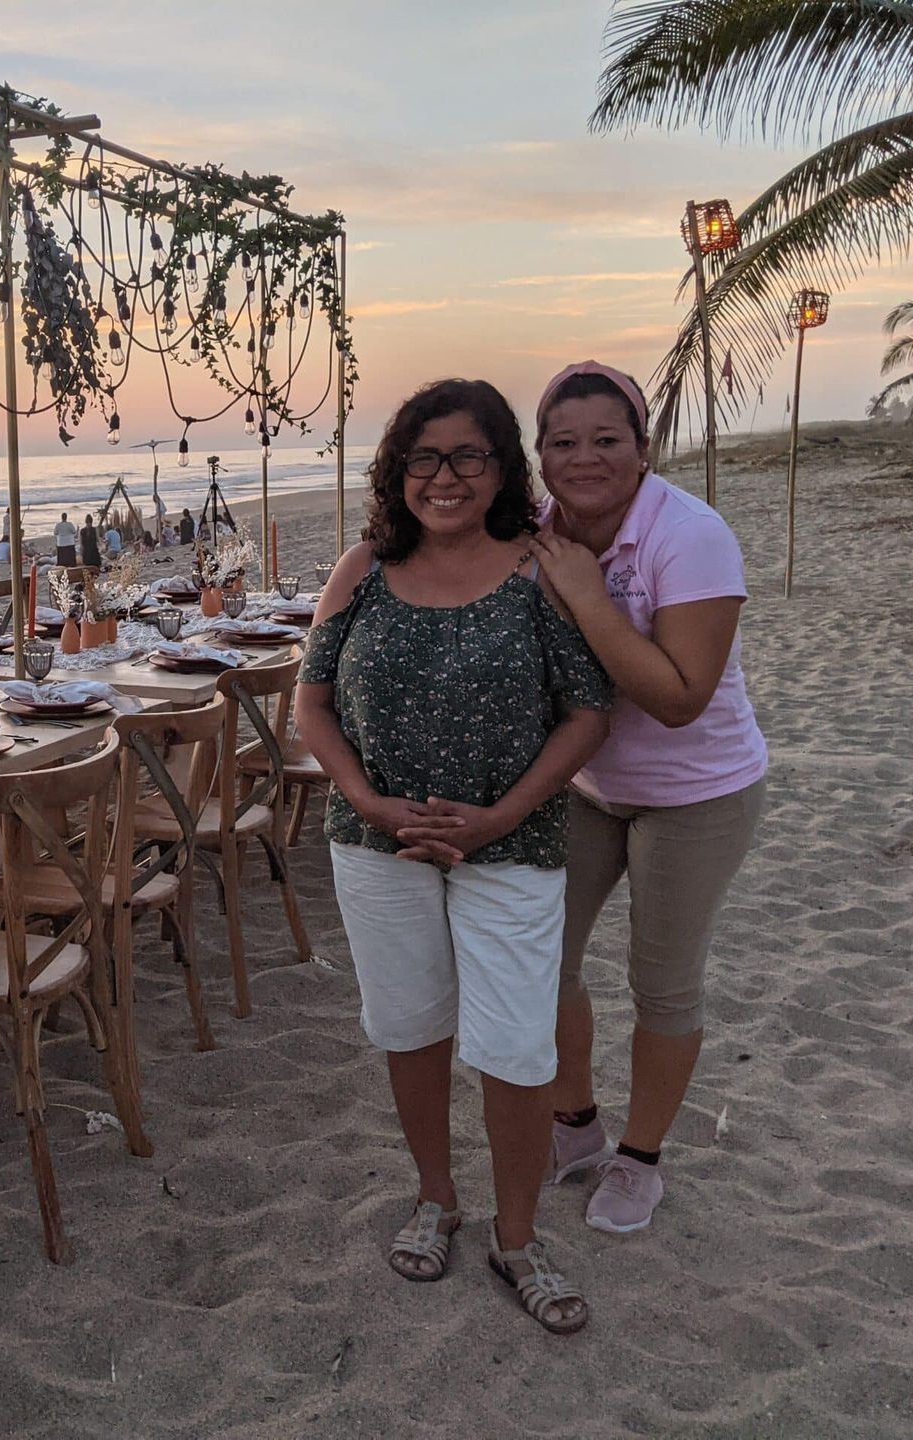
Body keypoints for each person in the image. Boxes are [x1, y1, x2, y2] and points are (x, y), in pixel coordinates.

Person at [296, 378, 612, 1333]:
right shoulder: (359, 568)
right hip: (375, 845)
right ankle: (437, 1196)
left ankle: (517, 1239)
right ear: (399, 472)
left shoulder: (539, 570)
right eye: (424, 458)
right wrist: (367, 802)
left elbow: (588, 714)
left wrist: (496, 815)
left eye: (468, 457)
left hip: (510, 845)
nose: (445, 476)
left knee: (518, 1045)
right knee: (411, 1024)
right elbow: (311, 703)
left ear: (500, 469)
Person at [524, 361, 769, 1235]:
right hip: (590, 784)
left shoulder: (690, 536)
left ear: (643, 448)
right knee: (538, 961)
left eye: (606, 440)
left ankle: (641, 1159)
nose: (584, 458)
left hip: (697, 791)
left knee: (662, 984)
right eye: (563, 442)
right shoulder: (536, 533)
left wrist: (591, 602)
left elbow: (676, 698)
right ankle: (578, 1126)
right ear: (540, 455)